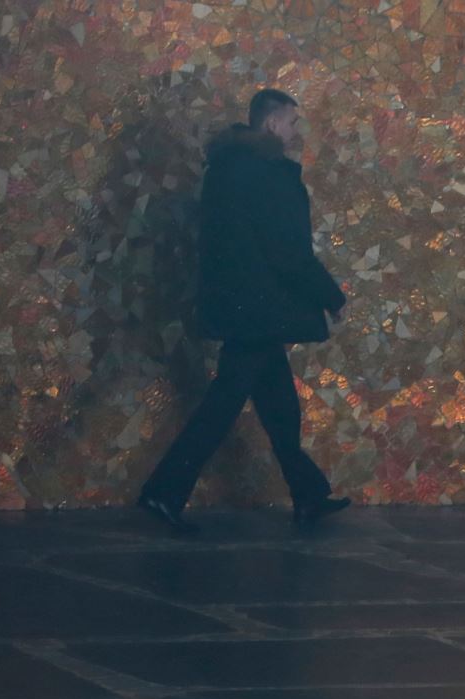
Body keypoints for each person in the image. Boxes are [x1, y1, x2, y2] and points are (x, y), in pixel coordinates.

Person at [137, 88, 351, 533]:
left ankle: (308, 494)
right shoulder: (267, 174)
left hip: (242, 305)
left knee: (278, 405)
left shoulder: (228, 167)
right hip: (260, 308)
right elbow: (287, 251)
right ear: (272, 123)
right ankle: (164, 490)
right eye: (292, 122)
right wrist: (331, 295)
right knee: (225, 403)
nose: (296, 131)